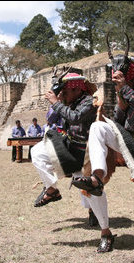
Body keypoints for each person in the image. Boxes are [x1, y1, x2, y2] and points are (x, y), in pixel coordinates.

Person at [71, 54, 134, 263]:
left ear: (131, 71)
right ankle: (96, 179)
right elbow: (120, 123)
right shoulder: (124, 89)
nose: (116, 74)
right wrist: (120, 102)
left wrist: (125, 90)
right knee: (97, 127)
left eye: (121, 71)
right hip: (130, 140)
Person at [31, 72, 115, 253]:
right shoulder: (68, 102)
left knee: (92, 194)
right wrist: (58, 102)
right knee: (36, 151)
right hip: (71, 148)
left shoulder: (89, 102)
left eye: (66, 91)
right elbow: (52, 118)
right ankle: (51, 189)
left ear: (77, 89)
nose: (63, 95)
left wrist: (57, 103)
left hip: (88, 154)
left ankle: (106, 233)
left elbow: (75, 117)